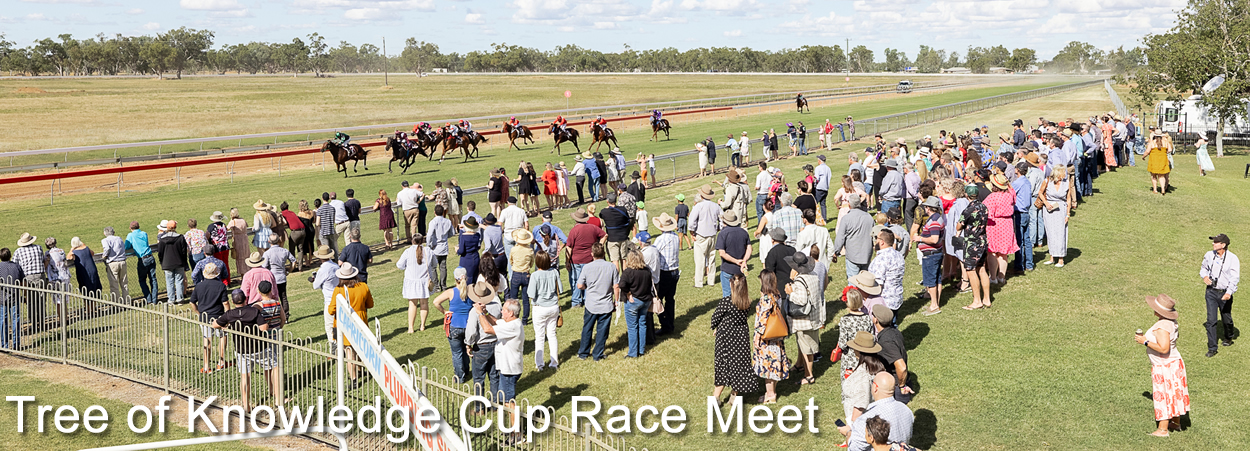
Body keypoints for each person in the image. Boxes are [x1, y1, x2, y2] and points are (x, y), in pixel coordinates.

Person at [1135, 294, 1190, 436]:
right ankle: (1176, 423)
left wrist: (1145, 342)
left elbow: (1164, 348)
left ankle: (1162, 429)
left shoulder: (1162, 325)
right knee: (1174, 393)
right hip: (1173, 364)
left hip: (1165, 366)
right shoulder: (1171, 322)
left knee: (1164, 395)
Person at [212, 289, 272, 411]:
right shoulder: (254, 311)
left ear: (233, 302)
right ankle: (274, 393)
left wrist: (226, 325)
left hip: (242, 350)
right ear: (246, 299)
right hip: (259, 347)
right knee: (270, 370)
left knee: (245, 377)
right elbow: (264, 328)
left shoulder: (230, 314)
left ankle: (246, 405)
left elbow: (215, 324)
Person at [711, 273, 759, 403]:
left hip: (725, 337)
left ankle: (716, 397)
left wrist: (716, 326)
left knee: (723, 365)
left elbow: (715, 317)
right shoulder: (747, 302)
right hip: (741, 337)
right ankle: (734, 395)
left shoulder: (726, 302)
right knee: (740, 365)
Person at [328, 263, 374, 387]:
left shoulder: (338, 290)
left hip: (344, 323)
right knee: (359, 347)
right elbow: (370, 304)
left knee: (349, 352)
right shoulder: (363, 286)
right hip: (361, 320)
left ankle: (353, 379)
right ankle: (360, 369)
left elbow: (331, 310)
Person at [786, 251, 823, 385]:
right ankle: (800, 365)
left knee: (807, 348)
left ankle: (809, 375)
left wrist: (791, 292)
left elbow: (801, 300)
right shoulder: (813, 275)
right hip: (814, 316)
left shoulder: (800, 281)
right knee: (804, 344)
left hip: (804, 320)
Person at [577, 243, 618, 361]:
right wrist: (616, 301)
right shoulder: (611, 267)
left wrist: (586, 287)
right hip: (606, 304)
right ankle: (598, 354)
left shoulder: (587, 267)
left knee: (587, 328)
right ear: (604, 254)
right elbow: (616, 286)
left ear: (592, 254)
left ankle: (583, 353)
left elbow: (579, 285)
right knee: (602, 330)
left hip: (591, 304)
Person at [837, 305, 877, 426]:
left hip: (856, 422)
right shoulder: (875, 366)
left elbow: (860, 402)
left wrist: (851, 428)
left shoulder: (862, 375)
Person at [753, 271, 789, 404]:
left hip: (766, 338)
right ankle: (771, 392)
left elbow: (762, 318)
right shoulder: (777, 295)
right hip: (776, 335)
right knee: (774, 366)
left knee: (767, 367)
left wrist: (757, 336)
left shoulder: (766, 298)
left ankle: (770, 394)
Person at [1200, 233, 1239, 357]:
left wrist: (1229, 292)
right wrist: (1204, 276)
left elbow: (1234, 278)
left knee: (1226, 318)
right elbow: (1203, 268)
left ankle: (1229, 337)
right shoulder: (1209, 255)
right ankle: (1212, 348)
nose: (1213, 244)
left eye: (1216, 242)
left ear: (1223, 245)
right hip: (1211, 291)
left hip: (1224, 293)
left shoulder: (1233, 259)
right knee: (1211, 320)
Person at [432, 267, 473, 383]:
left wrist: (445, 311)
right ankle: (466, 370)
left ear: (455, 279)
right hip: (468, 325)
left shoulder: (451, 292)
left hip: (454, 325)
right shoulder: (471, 291)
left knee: (457, 352)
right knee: (467, 348)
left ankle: (460, 377)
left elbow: (436, 302)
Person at [955, 184, 991, 310]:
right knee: (982, 269)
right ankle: (987, 299)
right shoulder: (984, 207)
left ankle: (977, 301)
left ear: (967, 194)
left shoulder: (968, 209)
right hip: (983, 240)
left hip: (972, 242)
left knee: (970, 270)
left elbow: (959, 226)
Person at [191, 263, 229, 374]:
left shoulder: (199, 286)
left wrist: (198, 312)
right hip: (219, 317)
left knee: (207, 340)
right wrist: (227, 316)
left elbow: (192, 302)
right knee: (222, 337)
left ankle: (206, 366)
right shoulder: (221, 285)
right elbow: (225, 302)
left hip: (205, 317)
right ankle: (221, 362)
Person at [873, 305, 914, 404]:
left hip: (894, 388)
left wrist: (902, 386)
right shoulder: (894, 332)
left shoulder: (886, 342)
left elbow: (901, 367)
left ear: (876, 320)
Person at [527, 252, 562, 370]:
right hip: (553, 307)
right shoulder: (555, 272)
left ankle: (539, 364)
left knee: (540, 337)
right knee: (552, 335)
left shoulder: (535, 275)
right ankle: (554, 362)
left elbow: (531, 294)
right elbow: (560, 289)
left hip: (539, 308)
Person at [617, 250, 654, 358]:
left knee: (632, 327)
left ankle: (633, 353)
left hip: (634, 301)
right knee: (642, 324)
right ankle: (641, 350)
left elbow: (622, 284)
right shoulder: (647, 270)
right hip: (646, 300)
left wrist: (628, 293)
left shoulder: (628, 272)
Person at [566, 209, 605, 308]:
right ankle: (588, 299)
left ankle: (576, 301)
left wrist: (567, 261)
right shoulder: (593, 227)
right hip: (589, 259)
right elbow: (604, 235)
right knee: (589, 280)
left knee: (576, 280)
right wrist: (599, 246)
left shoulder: (574, 230)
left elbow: (569, 247)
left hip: (576, 260)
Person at [984, 173, 1018, 284]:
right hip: (1007, 223)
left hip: (994, 224)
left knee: (992, 251)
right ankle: (1001, 276)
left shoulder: (992, 197)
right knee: (1003, 253)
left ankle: (993, 277)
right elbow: (1012, 192)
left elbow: (985, 211)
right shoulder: (1010, 195)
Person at [833, 194, 875, 280]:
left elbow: (840, 237)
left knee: (853, 281)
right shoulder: (869, 217)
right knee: (865, 282)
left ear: (849, 204)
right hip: (866, 254)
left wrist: (836, 251)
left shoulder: (846, 218)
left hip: (853, 255)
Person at [652, 214, 681, 336]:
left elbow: (654, 252)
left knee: (658, 299)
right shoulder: (675, 237)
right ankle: (670, 323)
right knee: (670, 298)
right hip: (674, 271)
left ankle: (666, 324)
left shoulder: (661, 239)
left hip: (665, 272)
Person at [397, 234, 433, 333]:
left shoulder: (408, 251)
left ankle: (411, 328)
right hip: (423, 281)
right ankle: (422, 325)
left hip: (411, 281)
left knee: (412, 304)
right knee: (424, 303)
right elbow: (434, 263)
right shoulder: (428, 251)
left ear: (413, 241)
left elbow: (399, 265)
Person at [689, 185, 722, 288]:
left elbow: (691, 221)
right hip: (712, 234)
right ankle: (711, 280)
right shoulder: (716, 206)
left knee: (700, 259)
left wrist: (692, 232)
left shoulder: (698, 206)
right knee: (712, 258)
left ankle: (699, 282)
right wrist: (719, 227)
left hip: (701, 235)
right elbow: (722, 218)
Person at [916, 197, 944, 316]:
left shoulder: (934, 222)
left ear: (928, 208)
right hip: (936, 253)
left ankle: (934, 305)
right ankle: (936, 302)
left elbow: (934, 239)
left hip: (931, 255)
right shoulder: (938, 218)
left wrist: (920, 238)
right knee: (937, 278)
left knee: (930, 280)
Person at [716, 210, 751, 299]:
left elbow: (722, 253)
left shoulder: (722, 234)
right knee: (741, 294)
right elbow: (749, 248)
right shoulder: (744, 232)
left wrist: (736, 261)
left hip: (728, 269)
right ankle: (741, 310)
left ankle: (730, 311)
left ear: (724, 221)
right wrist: (744, 261)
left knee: (727, 296)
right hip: (741, 270)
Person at [1039, 166, 1070, 267]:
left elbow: (1068, 199)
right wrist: (1046, 203)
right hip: (1049, 209)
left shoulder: (1066, 183)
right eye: (1063, 172)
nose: (1065, 174)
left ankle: (1061, 258)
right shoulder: (1047, 181)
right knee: (1050, 232)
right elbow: (1040, 192)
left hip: (1061, 208)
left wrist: (1067, 214)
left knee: (1061, 233)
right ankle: (1052, 256)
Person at [309, 245, 339, 348]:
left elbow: (315, 286)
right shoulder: (335, 266)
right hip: (339, 298)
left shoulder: (323, 270)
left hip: (330, 300)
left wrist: (316, 279)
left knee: (329, 325)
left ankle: (334, 347)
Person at [125, 222, 159, 304]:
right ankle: (154, 299)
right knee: (153, 279)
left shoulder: (131, 235)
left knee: (142, 280)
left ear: (130, 228)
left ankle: (148, 298)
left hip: (142, 259)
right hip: (150, 257)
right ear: (139, 226)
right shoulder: (144, 233)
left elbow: (126, 247)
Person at [156, 221, 190, 305]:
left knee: (169, 282)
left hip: (167, 263)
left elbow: (160, 252)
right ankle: (180, 299)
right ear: (175, 228)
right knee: (179, 281)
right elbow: (183, 251)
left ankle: (171, 299)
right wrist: (184, 261)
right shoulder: (180, 238)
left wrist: (162, 262)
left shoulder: (162, 239)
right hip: (179, 262)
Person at [507, 229, 535, 324]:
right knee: (525, 299)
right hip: (526, 274)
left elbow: (511, 261)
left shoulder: (514, 249)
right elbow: (531, 263)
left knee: (513, 299)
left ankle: (513, 317)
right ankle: (525, 320)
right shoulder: (530, 250)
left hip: (516, 273)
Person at [261, 235, 295, 313]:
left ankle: (275, 314)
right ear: (279, 240)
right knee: (283, 297)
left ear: (269, 242)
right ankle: (286, 315)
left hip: (272, 278)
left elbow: (264, 266)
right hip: (282, 277)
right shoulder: (284, 251)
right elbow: (293, 261)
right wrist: (289, 270)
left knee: (272, 298)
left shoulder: (267, 253)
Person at [599, 193, 633, 271]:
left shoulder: (604, 212)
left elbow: (601, 215)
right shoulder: (623, 209)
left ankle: (616, 280)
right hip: (623, 237)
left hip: (612, 238)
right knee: (623, 259)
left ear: (607, 201)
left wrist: (607, 207)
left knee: (615, 260)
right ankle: (625, 277)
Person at [427, 205, 453, 292]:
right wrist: (445, 237)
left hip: (435, 247)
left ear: (434, 212)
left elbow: (429, 235)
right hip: (444, 246)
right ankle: (443, 285)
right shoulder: (448, 221)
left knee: (433, 267)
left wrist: (429, 245)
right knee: (443, 267)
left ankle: (437, 286)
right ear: (443, 212)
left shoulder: (433, 222)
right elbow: (452, 233)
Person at [100, 227, 128, 301]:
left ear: (104, 233)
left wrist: (104, 256)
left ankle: (117, 304)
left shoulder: (105, 240)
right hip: (122, 261)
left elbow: (107, 249)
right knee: (124, 283)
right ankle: (127, 302)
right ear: (113, 232)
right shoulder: (119, 238)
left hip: (112, 263)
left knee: (114, 285)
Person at [457, 217, 483, 288]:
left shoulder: (463, 236)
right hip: (475, 257)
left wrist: (457, 250)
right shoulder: (477, 235)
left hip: (466, 259)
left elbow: (461, 250)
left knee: (466, 278)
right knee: (474, 278)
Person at [1144, 130, 1172, 195]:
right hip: (1163, 160)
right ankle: (1162, 189)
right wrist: (1164, 152)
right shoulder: (1165, 142)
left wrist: (1143, 156)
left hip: (1154, 160)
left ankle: (1155, 190)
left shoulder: (1152, 143)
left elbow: (1147, 151)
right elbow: (1170, 149)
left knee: (1153, 176)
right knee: (1161, 176)